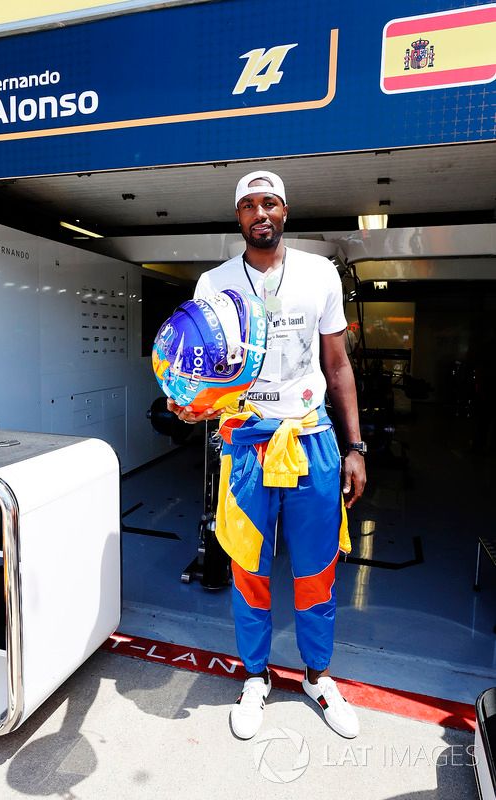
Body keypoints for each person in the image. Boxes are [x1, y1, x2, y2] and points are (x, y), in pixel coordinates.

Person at [167, 170, 366, 740]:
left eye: (271, 202)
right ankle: (255, 677)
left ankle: (317, 677)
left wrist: (355, 446)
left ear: (285, 212)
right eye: (250, 204)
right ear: (238, 216)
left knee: (317, 570)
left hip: (311, 440)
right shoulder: (213, 283)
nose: (261, 212)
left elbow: (338, 365)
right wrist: (192, 405)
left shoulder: (320, 272)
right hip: (248, 443)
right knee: (248, 569)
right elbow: (200, 372)